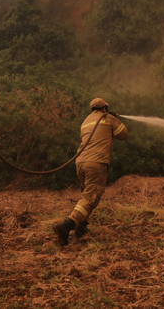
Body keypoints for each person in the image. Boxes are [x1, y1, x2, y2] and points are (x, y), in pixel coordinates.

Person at [53, 98, 127, 246]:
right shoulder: (108, 118)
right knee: (91, 198)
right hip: (96, 163)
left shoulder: (86, 121)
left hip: (80, 162)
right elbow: (123, 134)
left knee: (86, 195)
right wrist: (115, 119)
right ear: (105, 109)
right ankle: (67, 225)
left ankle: (81, 229)